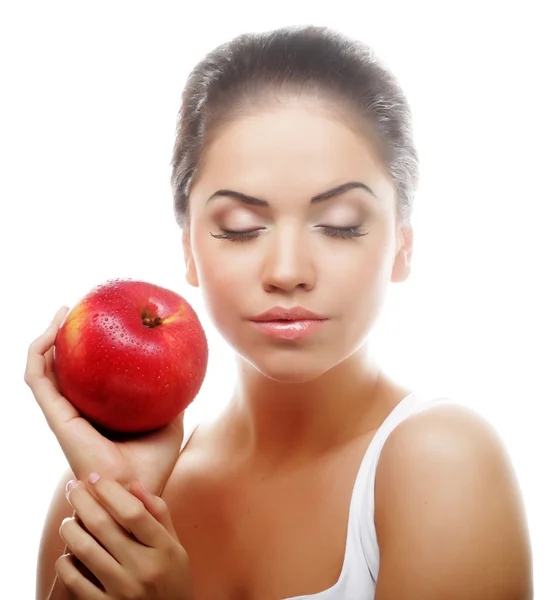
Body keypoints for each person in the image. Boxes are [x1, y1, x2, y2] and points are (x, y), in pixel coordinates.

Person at [26, 25, 533, 600]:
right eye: (240, 228)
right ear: (188, 248)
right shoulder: (97, 503)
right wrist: (118, 506)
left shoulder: (442, 464)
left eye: (341, 223)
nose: (287, 269)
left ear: (402, 245)